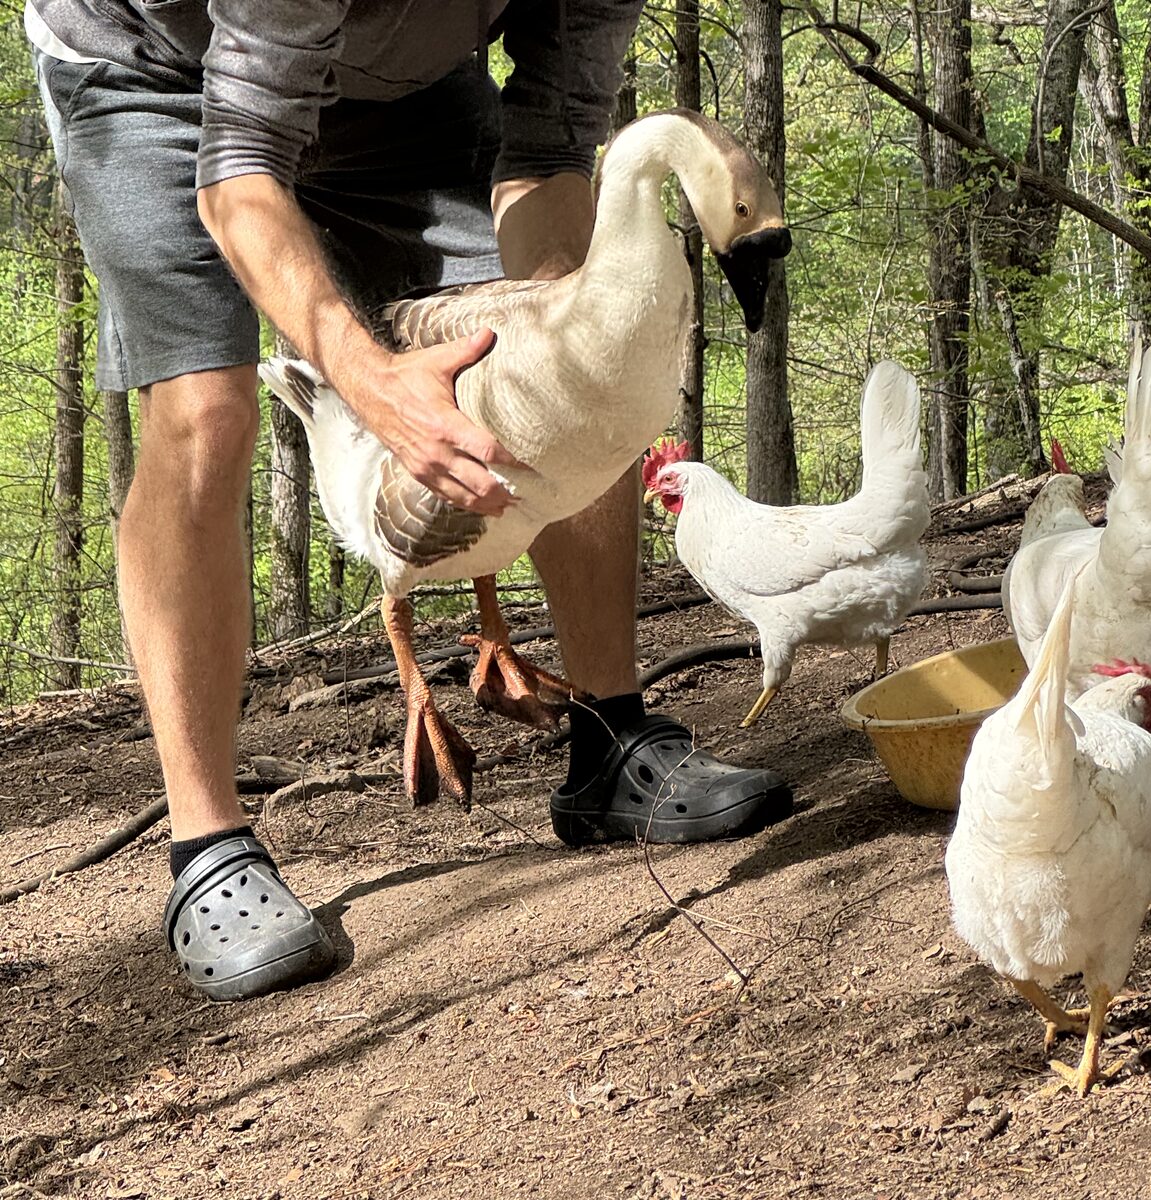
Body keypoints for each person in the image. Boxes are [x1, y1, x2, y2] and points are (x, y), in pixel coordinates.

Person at [25, 0, 793, 1001]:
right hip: (162, 73)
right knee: (207, 414)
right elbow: (240, 171)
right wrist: (372, 385)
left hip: (402, 88)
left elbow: (555, 141)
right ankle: (206, 847)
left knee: (574, 346)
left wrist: (571, 334)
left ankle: (613, 747)